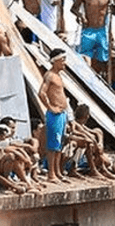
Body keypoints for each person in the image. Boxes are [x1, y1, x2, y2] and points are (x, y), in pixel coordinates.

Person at [71, 0, 115, 78]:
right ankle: (87, 78)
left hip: (101, 30)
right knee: (86, 57)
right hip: (88, 30)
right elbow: (73, 8)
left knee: (103, 58)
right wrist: (81, 16)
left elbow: (114, 12)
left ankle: (102, 78)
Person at [38, 49, 69, 183]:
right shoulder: (49, 75)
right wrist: (50, 107)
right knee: (52, 145)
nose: (64, 63)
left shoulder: (58, 76)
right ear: (55, 61)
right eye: (62, 60)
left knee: (59, 145)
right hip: (54, 114)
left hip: (62, 112)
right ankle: (51, 174)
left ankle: (57, 171)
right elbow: (42, 93)